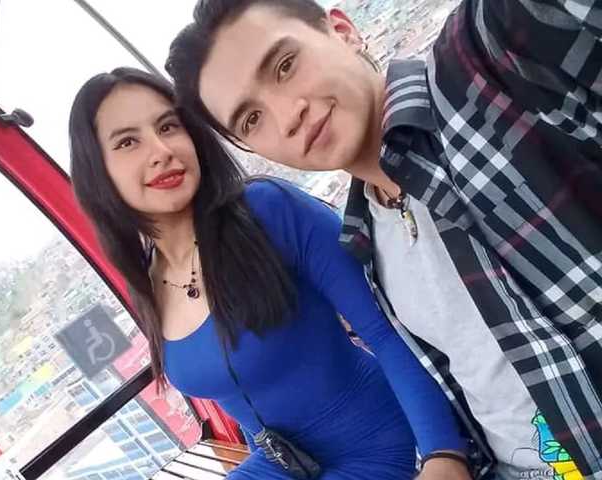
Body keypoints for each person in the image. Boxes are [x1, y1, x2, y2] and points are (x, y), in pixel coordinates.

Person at [165, 1, 602, 479]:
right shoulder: (367, 243)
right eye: (251, 119)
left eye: (285, 66)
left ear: (343, 31)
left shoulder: (479, 72)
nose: (286, 116)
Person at [68, 67, 470, 480]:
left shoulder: (267, 211)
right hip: (286, 463)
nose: (160, 150)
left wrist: (443, 452)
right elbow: (241, 394)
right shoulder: (147, 280)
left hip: (381, 440)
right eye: (128, 142)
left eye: (168, 126)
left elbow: (387, 330)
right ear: (97, 174)